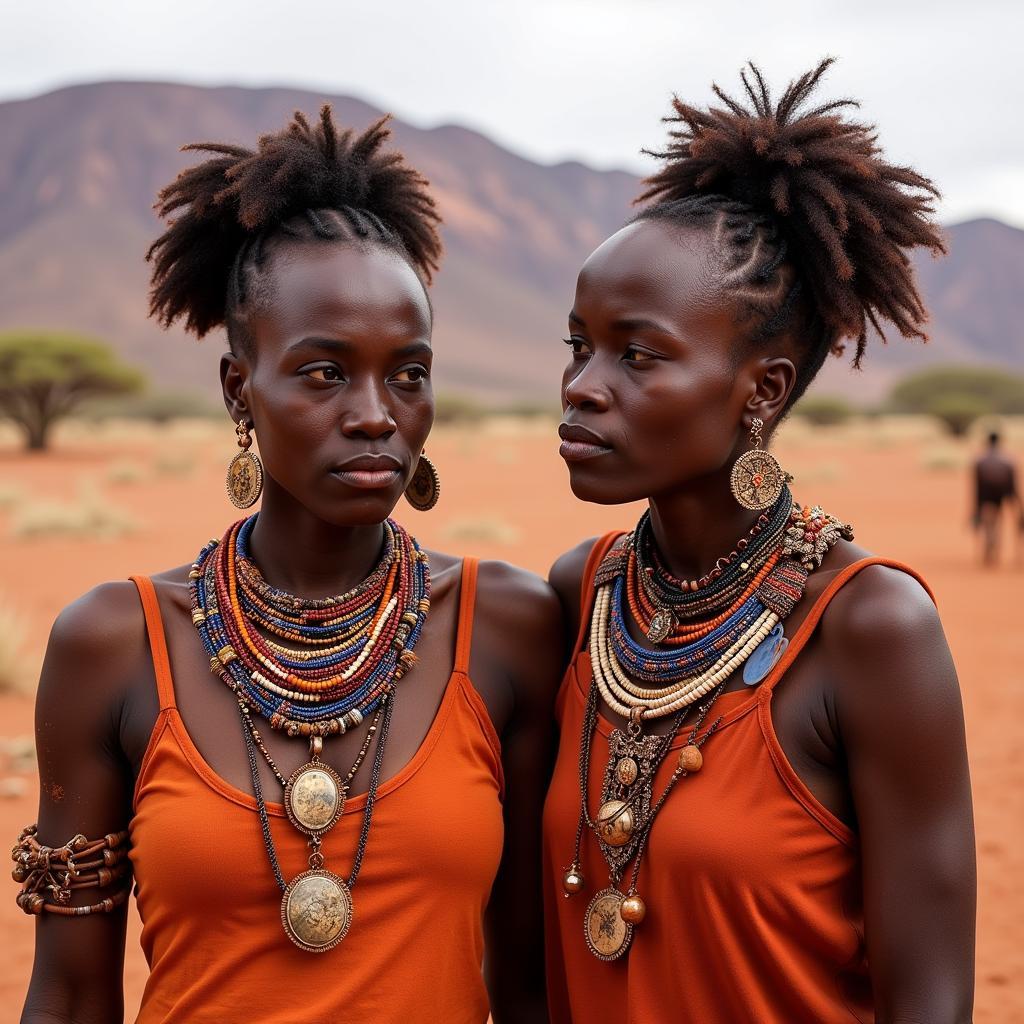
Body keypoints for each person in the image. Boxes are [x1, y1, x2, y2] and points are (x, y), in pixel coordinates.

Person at [16, 106, 561, 1024]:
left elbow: (533, 984)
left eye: (409, 373)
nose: (376, 414)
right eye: (324, 373)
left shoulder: (505, 628)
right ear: (241, 388)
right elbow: (69, 996)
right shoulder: (114, 646)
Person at [543, 61, 975, 1023]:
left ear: (764, 391)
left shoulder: (870, 630)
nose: (582, 384)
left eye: (638, 354)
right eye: (579, 344)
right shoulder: (584, 595)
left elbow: (933, 999)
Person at [973, 429, 1020, 565]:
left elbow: (977, 487)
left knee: (989, 523)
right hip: (1001, 495)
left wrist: (976, 508)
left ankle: (990, 549)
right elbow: (1013, 487)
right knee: (999, 521)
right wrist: (1017, 505)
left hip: (986, 497)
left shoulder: (980, 461)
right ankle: (995, 548)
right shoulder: (1008, 461)